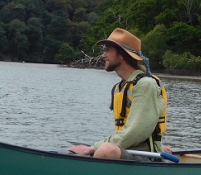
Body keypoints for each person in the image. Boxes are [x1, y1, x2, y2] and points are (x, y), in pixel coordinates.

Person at [68, 28, 168, 160]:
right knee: (94, 149)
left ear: (121, 55)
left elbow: (136, 132)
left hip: (146, 158)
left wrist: (94, 147)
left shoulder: (146, 85)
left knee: (106, 150)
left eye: (108, 50)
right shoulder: (120, 87)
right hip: (128, 152)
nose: (104, 55)